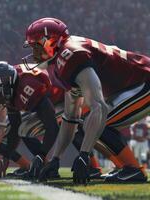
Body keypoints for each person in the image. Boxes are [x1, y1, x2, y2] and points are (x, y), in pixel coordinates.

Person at [24, 17, 149, 183]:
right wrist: (55, 159)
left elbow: (99, 107)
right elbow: (70, 118)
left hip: (143, 83)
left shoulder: (70, 55)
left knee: (98, 121)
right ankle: (125, 167)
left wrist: (83, 155)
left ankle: (132, 170)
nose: (34, 53)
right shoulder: (64, 58)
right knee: (86, 124)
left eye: (36, 46)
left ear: (52, 40)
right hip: (134, 85)